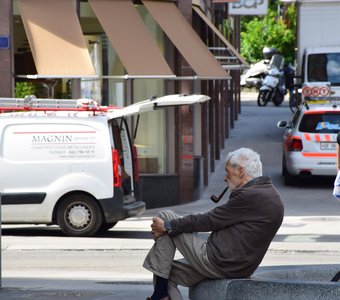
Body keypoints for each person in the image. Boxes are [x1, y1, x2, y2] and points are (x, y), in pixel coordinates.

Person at [143, 148, 284, 300]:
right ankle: (161, 294)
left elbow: (209, 220)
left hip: (218, 261)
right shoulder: (269, 193)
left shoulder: (251, 196)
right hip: (237, 265)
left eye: (228, 171)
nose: (225, 177)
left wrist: (168, 226)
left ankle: (159, 296)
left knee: (166, 217)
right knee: (164, 273)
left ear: (241, 171)